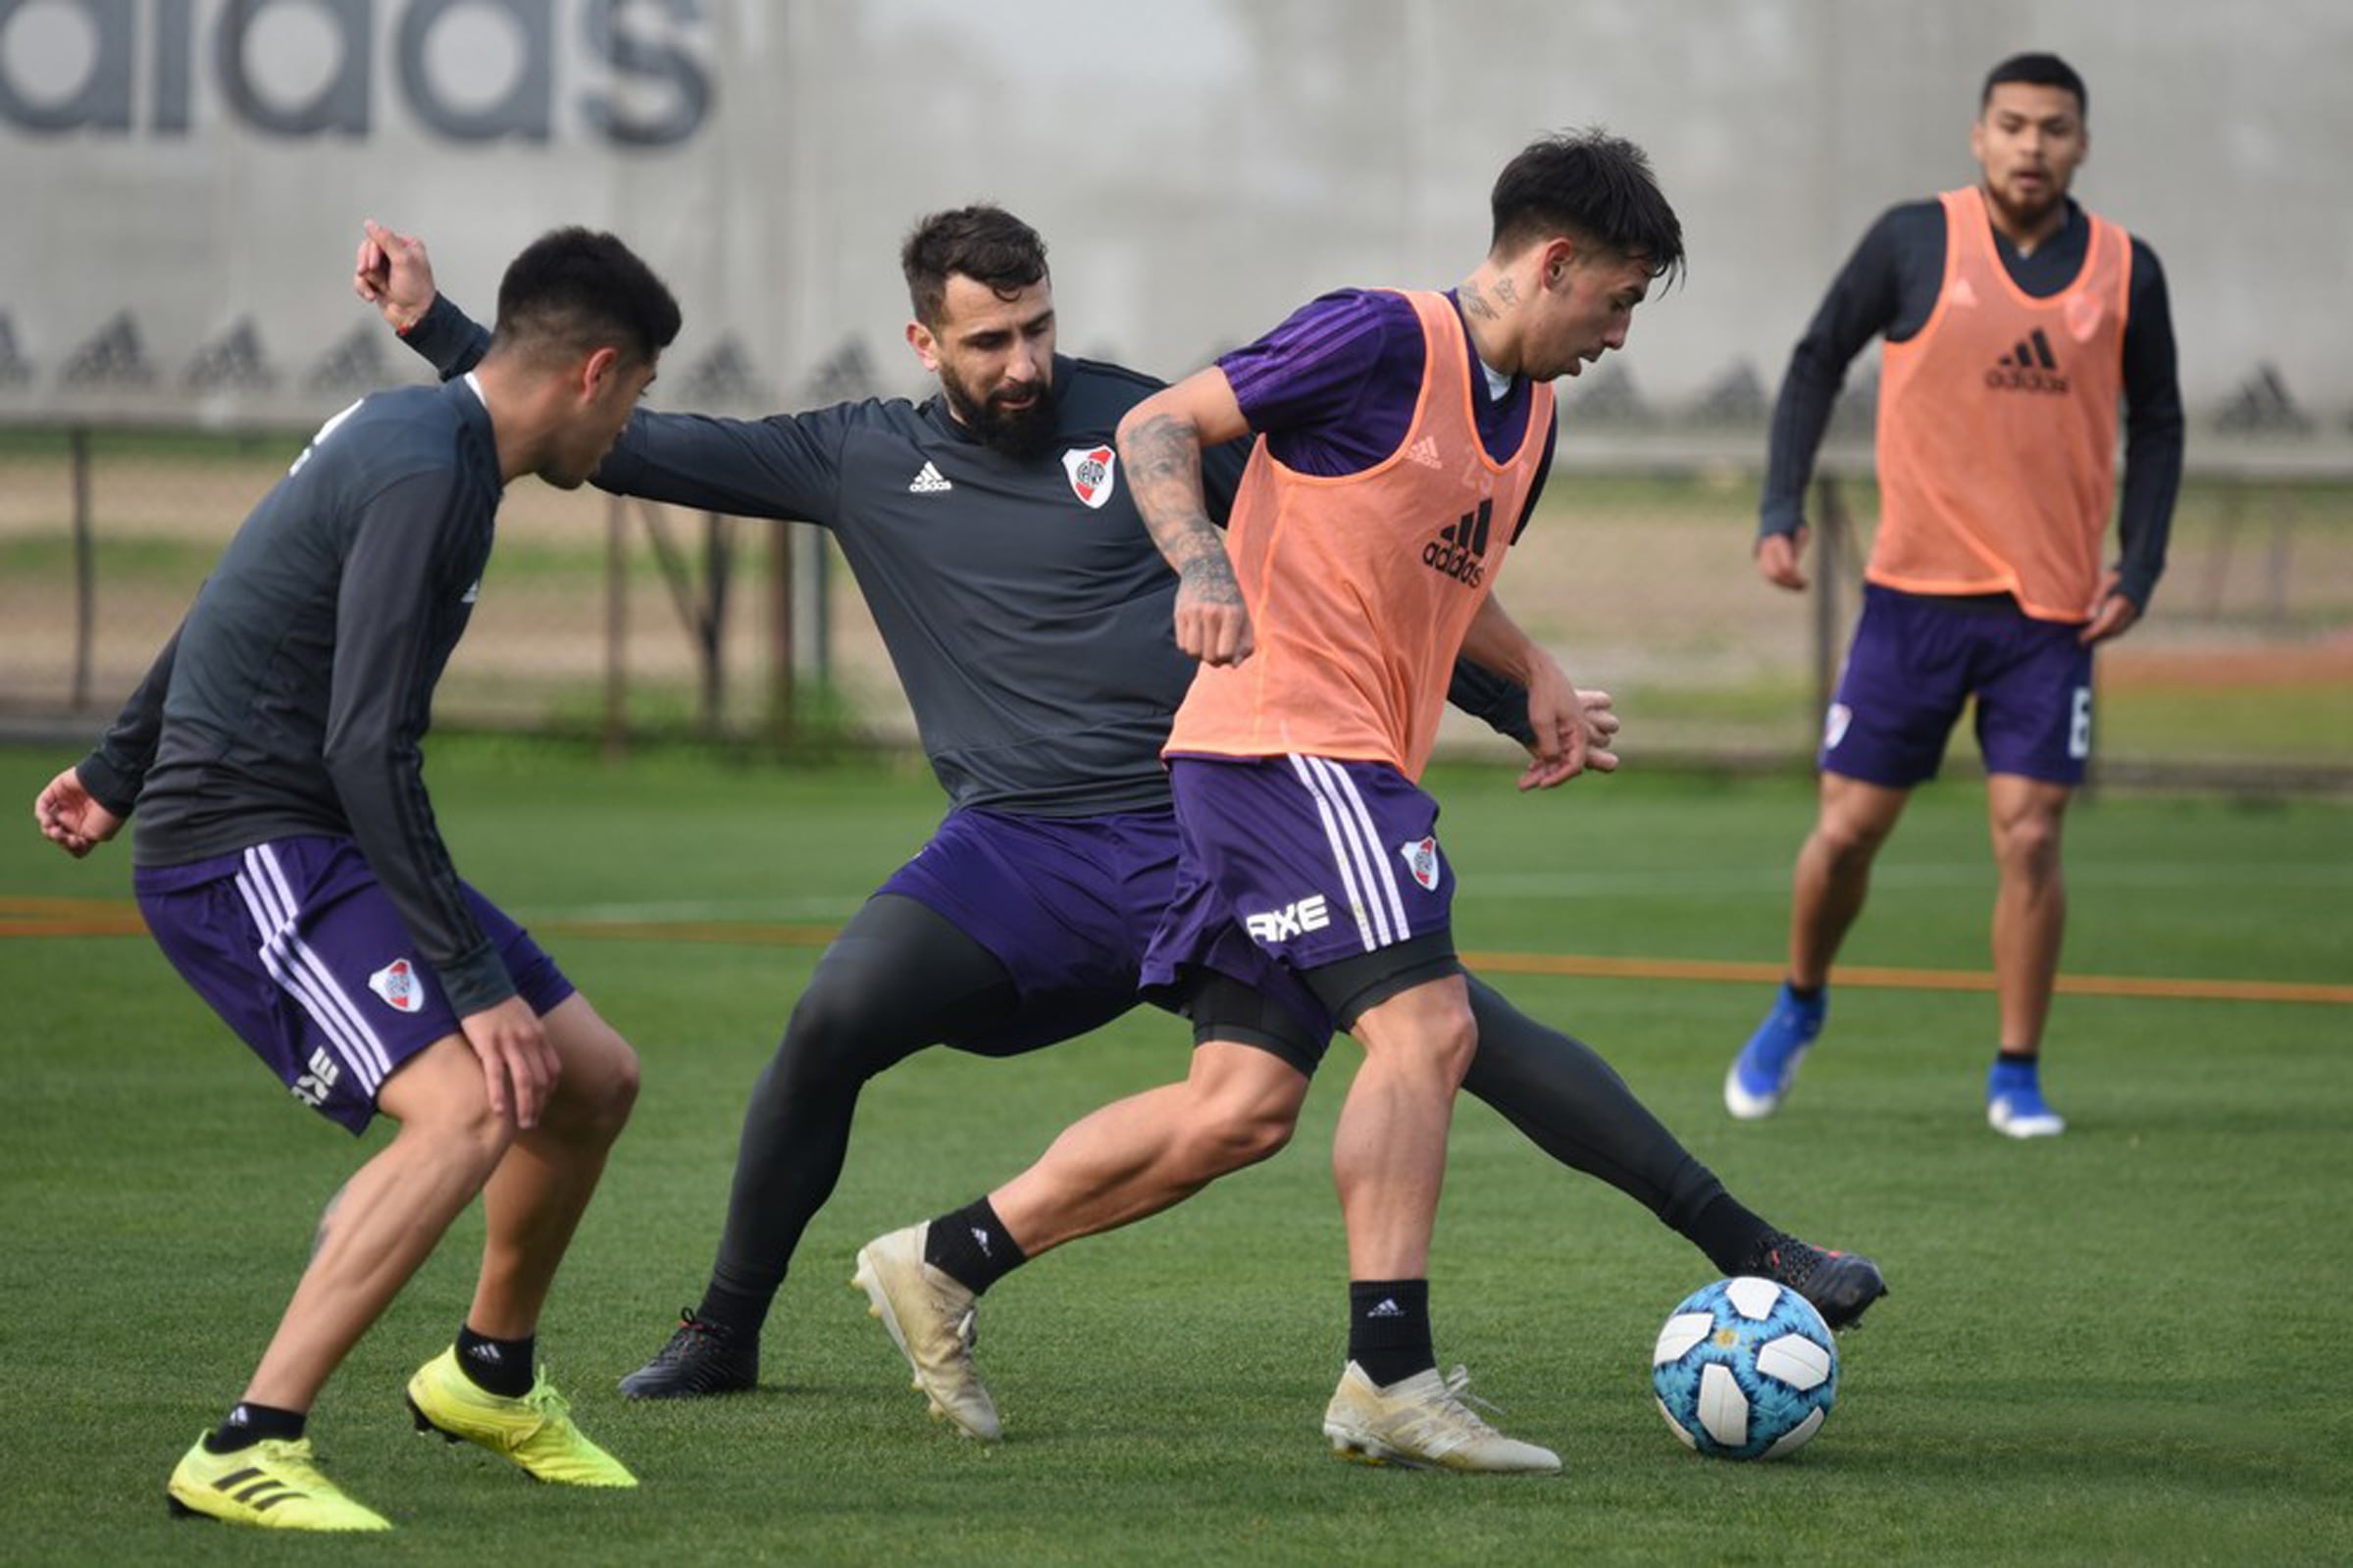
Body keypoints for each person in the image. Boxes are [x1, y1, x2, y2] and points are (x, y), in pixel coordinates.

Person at [355, 200, 1881, 1433]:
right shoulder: (856, 456)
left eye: (1036, 330)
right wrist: (441, 332)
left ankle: (1735, 1241)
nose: (1020, 365)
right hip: (1010, 855)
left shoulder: (1145, 418)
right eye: (986, 341)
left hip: (1201, 813)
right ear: (923, 340)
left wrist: (1516, 685)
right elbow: (623, 436)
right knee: (837, 1014)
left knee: (1436, 1029)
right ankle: (726, 1326)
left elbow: (1371, 550)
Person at [849, 132, 1833, 1473]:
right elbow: (1158, 424)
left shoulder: (1528, 416)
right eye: (1615, 295)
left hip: (1310, 764)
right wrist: (1199, 562)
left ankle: (941, 1257)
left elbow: (1441, 573)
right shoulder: (1377, 339)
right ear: (1552, 262)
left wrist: (1532, 672)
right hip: (1285, 747)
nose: (1617, 330)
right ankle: (1386, 1371)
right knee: (1426, 1026)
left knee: (1237, 1106)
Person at [35, 228, 681, 1532]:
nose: (626, 432)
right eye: (635, 399)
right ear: (596, 374)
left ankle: (489, 1372)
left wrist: (112, 762)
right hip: (242, 850)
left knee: (593, 1076)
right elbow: (365, 741)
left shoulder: (422, 434)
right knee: (471, 1103)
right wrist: (475, 982)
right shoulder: (425, 473)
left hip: (311, 829)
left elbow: (242, 587)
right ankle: (248, 1437)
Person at [1725, 52, 2183, 1138]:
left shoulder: (2126, 269)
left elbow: (2158, 422)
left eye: (2053, 128)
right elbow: (1810, 362)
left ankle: (2015, 1071)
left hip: (2047, 614)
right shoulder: (1910, 240)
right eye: (2012, 125)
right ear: (1978, 137)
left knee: (2028, 838)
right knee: (1844, 834)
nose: (2031, 145)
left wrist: (2142, 561)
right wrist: (1778, 505)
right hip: (1912, 599)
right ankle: (1798, 1003)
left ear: (2080, 143)